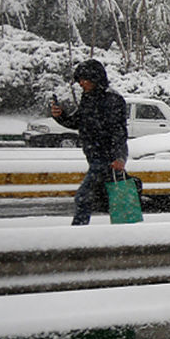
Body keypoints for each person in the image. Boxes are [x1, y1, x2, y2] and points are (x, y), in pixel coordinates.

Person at [50, 59, 128, 226]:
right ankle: (125, 235)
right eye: (79, 80)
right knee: (116, 201)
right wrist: (60, 115)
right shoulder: (89, 98)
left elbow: (119, 131)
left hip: (107, 159)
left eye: (84, 79)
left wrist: (120, 157)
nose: (81, 83)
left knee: (83, 198)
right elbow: (76, 122)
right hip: (95, 156)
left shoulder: (112, 99)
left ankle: (79, 234)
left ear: (95, 78)